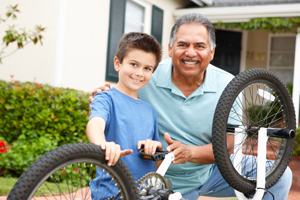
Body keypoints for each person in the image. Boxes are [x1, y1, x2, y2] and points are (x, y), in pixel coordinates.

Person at [89, 14, 292, 200]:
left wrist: (190, 153)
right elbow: (119, 98)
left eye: (200, 46)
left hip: (209, 172)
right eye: (183, 44)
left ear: (212, 52)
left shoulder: (228, 85)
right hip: (158, 177)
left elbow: (230, 143)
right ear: (170, 49)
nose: (190, 53)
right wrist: (103, 96)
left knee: (279, 175)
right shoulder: (147, 76)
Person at [86, 32, 163, 199]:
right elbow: (95, 123)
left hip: (143, 195)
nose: (140, 73)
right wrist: (103, 144)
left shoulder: (150, 111)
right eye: (134, 64)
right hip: (110, 193)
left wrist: (156, 147)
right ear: (117, 63)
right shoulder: (105, 98)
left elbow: (158, 165)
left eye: (147, 68)